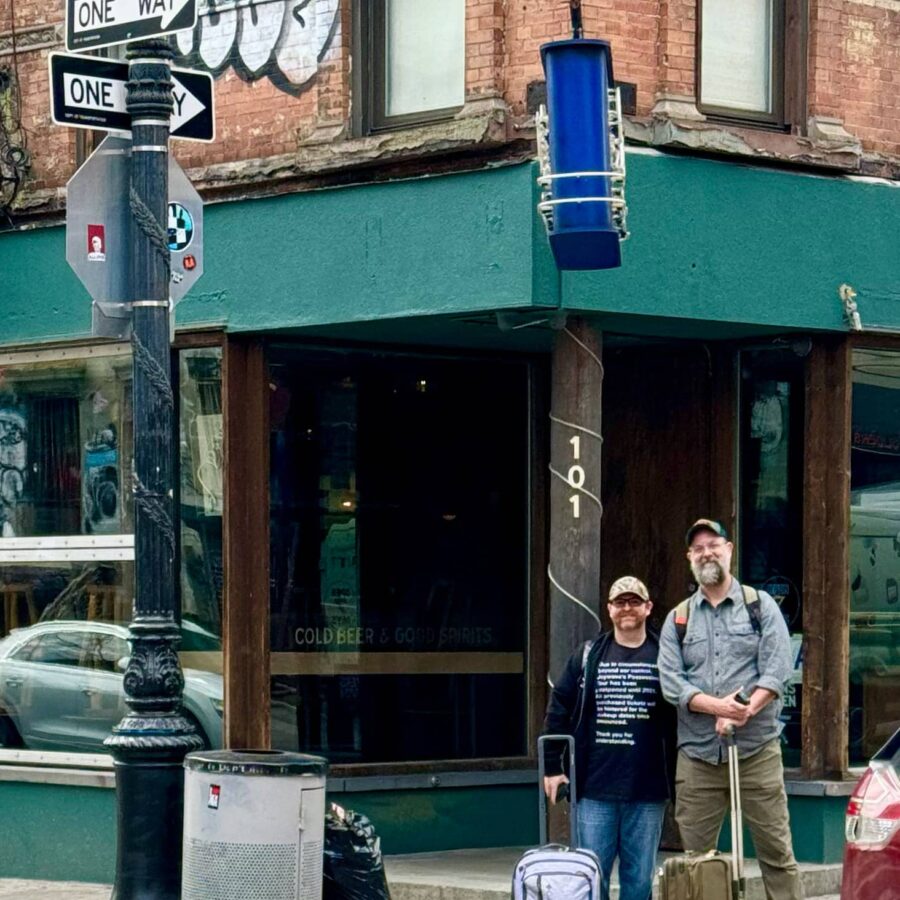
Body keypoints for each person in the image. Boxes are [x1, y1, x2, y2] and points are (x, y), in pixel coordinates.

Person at [658, 519, 803, 900]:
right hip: (698, 757)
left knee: (777, 854)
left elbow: (777, 668)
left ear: (730, 549)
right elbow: (671, 682)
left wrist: (744, 710)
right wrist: (716, 706)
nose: (707, 552)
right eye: (698, 548)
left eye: (714, 544)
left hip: (756, 753)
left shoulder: (760, 605)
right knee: (696, 863)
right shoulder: (678, 618)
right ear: (689, 558)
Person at [542, 576, 673, 900]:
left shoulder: (666, 656)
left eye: (634, 602)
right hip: (594, 789)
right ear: (609, 609)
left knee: (639, 881)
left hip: (647, 790)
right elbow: (559, 706)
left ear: (648, 608)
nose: (627, 608)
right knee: (589, 878)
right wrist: (551, 766)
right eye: (620, 602)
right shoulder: (587, 656)